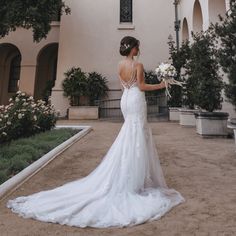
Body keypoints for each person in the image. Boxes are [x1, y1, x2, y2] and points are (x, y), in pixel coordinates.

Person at [6, 36, 185, 228]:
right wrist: (162, 85)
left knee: (130, 134)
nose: (138, 49)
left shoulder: (119, 65)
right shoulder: (138, 65)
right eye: (137, 46)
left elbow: (125, 85)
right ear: (133, 48)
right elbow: (141, 86)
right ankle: (133, 181)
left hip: (126, 99)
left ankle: (134, 177)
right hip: (135, 98)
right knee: (137, 135)